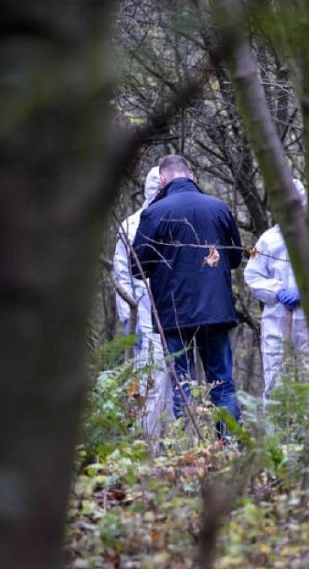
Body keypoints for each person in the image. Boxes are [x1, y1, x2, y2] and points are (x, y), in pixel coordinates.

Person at [131, 155, 243, 436]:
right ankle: (228, 447)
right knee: (222, 382)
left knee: (182, 385)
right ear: (191, 175)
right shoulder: (218, 207)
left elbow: (136, 267)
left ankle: (186, 452)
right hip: (216, 311)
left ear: (163, 180)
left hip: (173, 315)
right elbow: (236, 257)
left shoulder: (154, 213)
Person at [113, 167, 172, 439]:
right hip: (145, 315)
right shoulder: (132, 225)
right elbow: (121, 275)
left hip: (174, 315)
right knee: (151, 377)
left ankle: (175, 443)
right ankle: (147, 442)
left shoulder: (176, 219)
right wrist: (129, 319)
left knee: (176, 380)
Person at [243, 179, 309, 400]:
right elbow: (252, 275)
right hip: (277, 319)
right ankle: (277, 433)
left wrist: (306, 290)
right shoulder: (266, 241)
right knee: (275, 380)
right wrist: (276, 291)